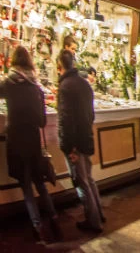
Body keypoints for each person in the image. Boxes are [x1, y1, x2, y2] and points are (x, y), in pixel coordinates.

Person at [0, 47, 61, 243]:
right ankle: (54, 222)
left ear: (12, 63)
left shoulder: (8, 83)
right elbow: (42, 122)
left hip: (16, 141)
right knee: (40, 185)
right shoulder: (36, 87)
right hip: (34, 142)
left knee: (26, 187)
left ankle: (37, 228)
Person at [56, 49, 104, 233]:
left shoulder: (65, 86)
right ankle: (98, 214)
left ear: (60, 66)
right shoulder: (84, 84)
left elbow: (66, 120)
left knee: (81, 181)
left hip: (74, 143)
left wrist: (70, 147)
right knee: (89, 179)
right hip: (86, 138)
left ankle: (93, 221)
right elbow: (90, 115)